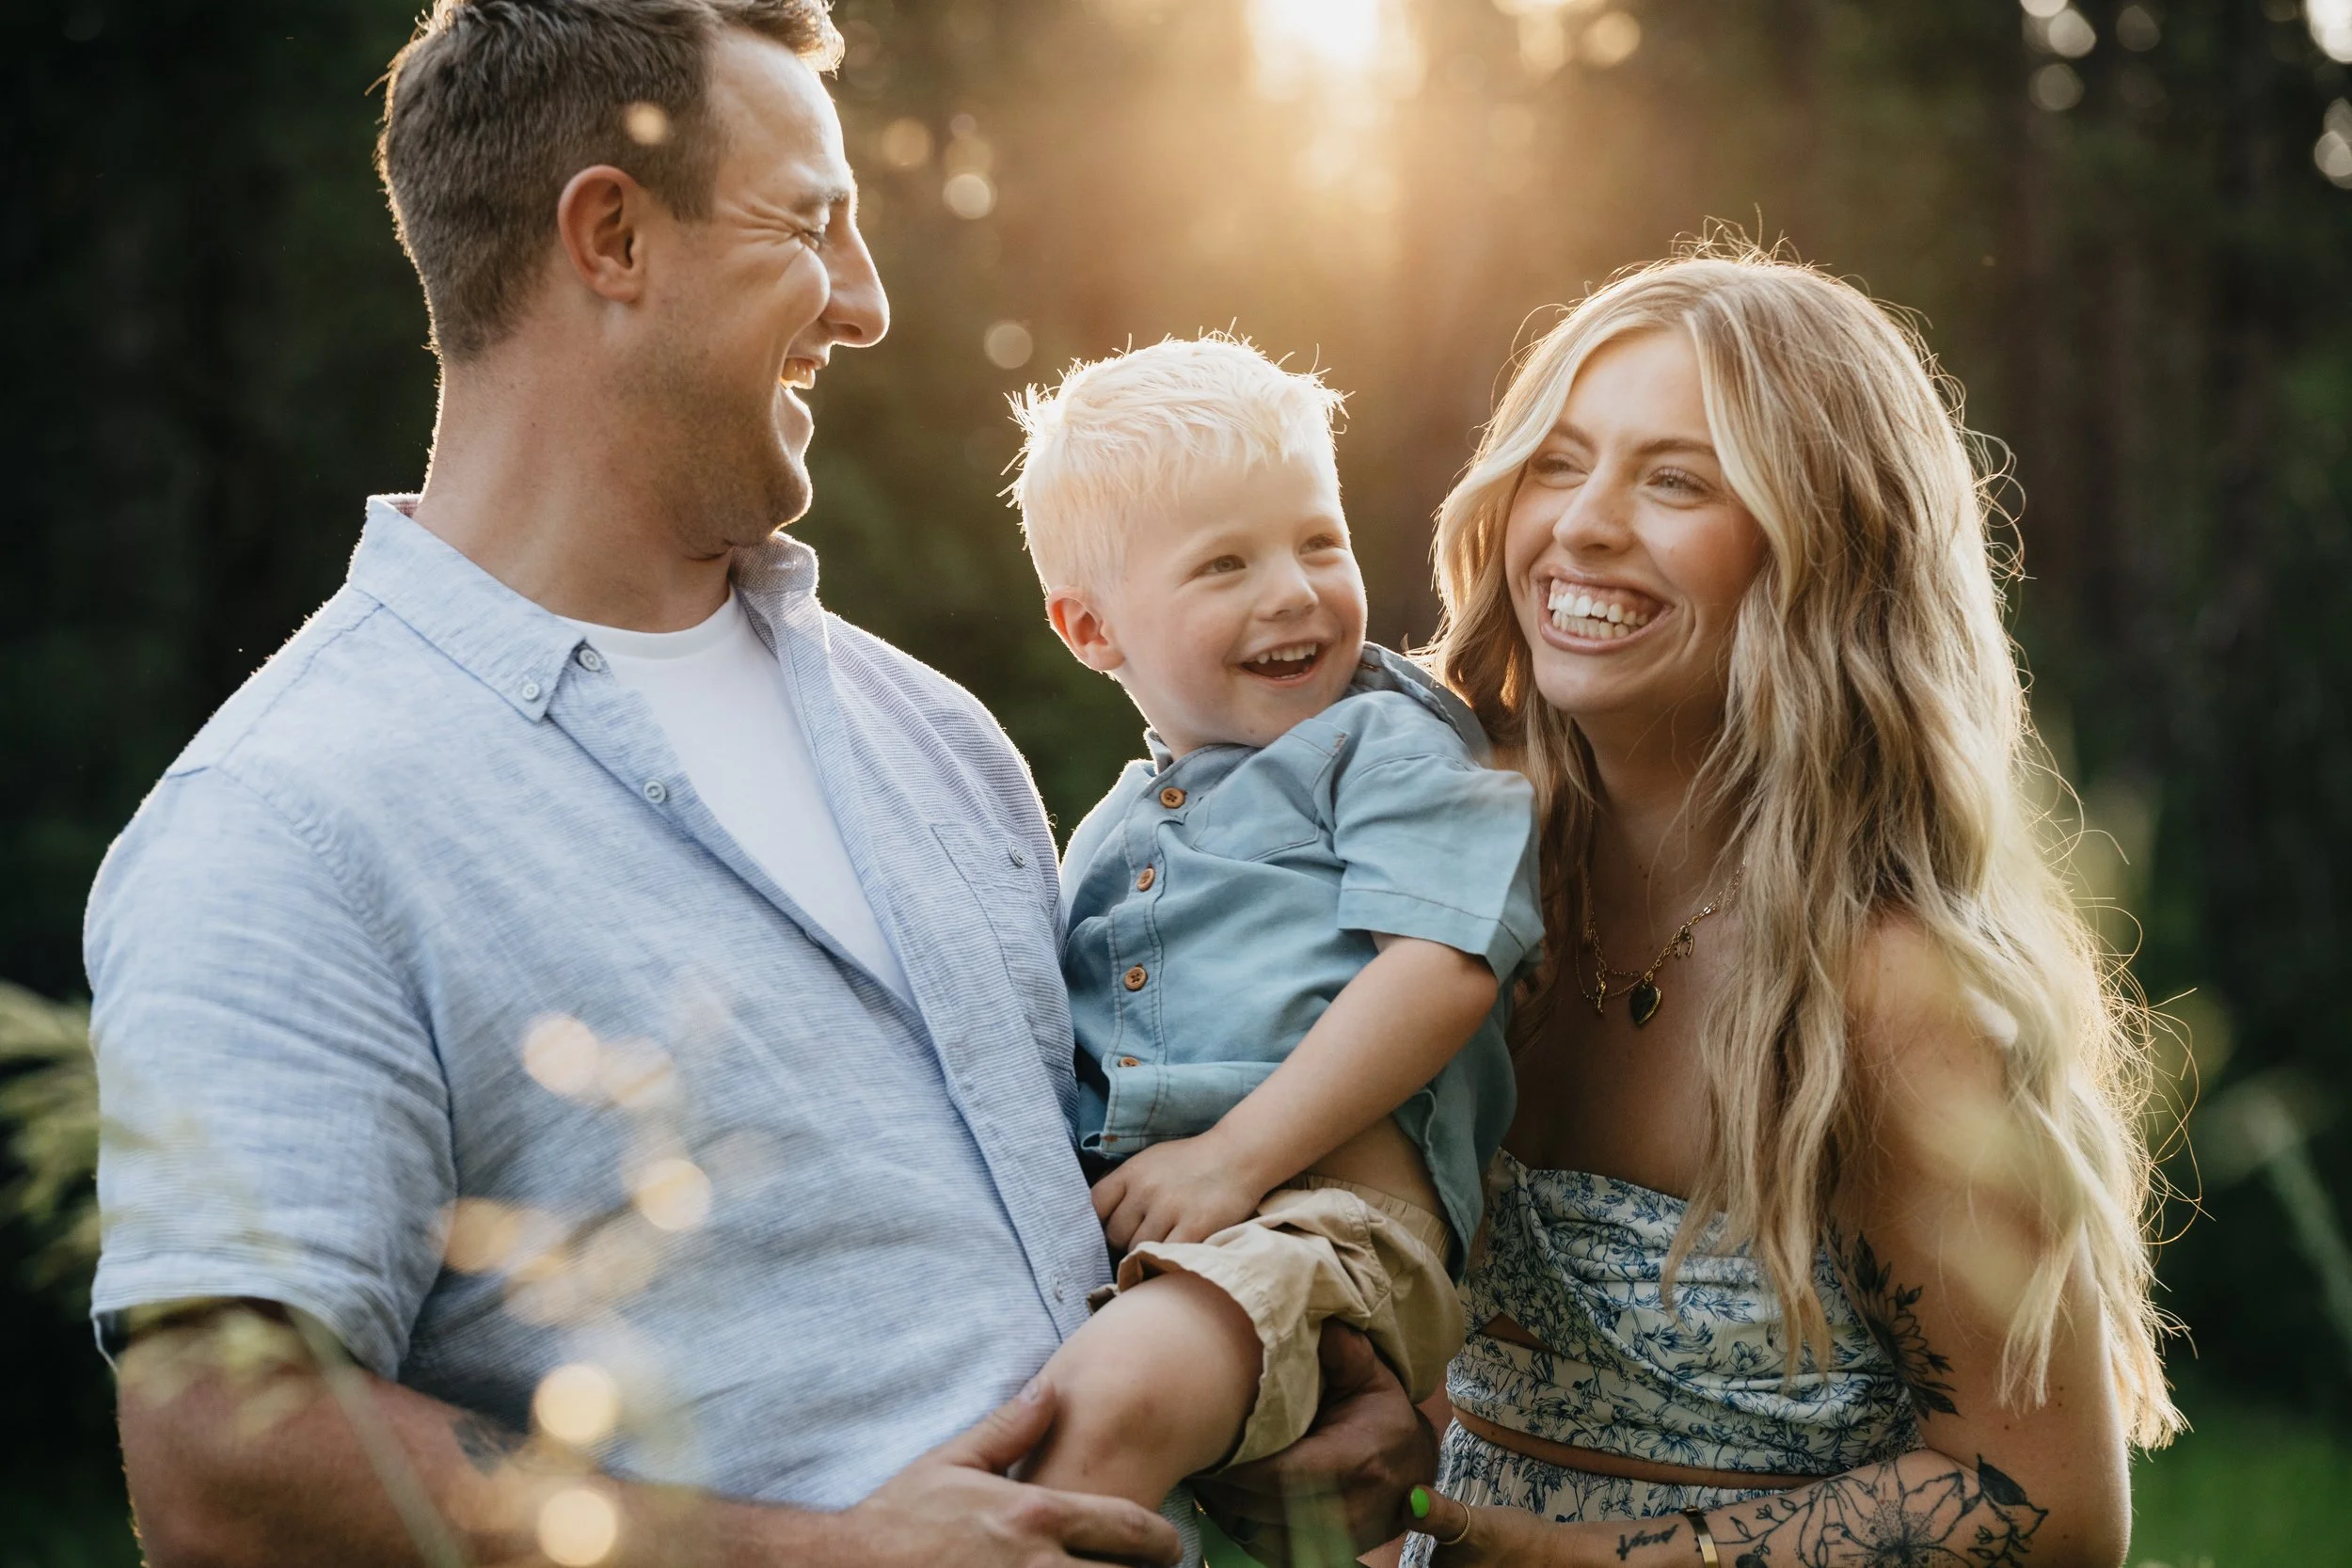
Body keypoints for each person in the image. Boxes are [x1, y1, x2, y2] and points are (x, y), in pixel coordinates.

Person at [82, 5, 1432, 1565]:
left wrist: (1334, 1376)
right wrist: (815, 1555)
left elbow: (1093, 1191)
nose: (863, 305)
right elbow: (221, 1466)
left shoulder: (935, 733)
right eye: (812, 227)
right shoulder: (284, 819)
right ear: (613, 236)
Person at [1397, 248, 2176, 1565]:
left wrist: (1563, 1555)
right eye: (1556, 459)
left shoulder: (1891, 993)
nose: (1582, 521)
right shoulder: (1439, 881)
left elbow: (2046, 1503)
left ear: (1831, 548)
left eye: (1677, 479)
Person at [995, 339, 1542, 1533]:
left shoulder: (1384, 742)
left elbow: (1440, 966)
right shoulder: (1109, 828)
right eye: (1224, 564)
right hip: (1160, 1232)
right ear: (1091, 629)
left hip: (1332, 1217)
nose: (1291, 590)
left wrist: (1232, 1158)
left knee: (1112, 1401)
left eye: (1318, 540)